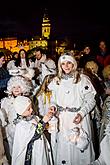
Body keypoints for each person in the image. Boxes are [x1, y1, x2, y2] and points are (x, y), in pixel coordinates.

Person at [47, 53, 96, 165]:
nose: (66, 66)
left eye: (69, 62)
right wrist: (52, 107)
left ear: (74, 63)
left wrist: (81, 113)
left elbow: (91, 101)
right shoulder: (56, 81)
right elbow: (53, 100)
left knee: (79, 147)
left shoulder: (82, 80)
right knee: (64, 146)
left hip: (78, 119)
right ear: (60, 66)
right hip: (62, 120)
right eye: (63, 64)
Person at [12, 95, 54, 165]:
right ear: (21, 111)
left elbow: (43, 127)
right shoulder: (21, 125)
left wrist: (48, 119)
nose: (32, 110)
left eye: (31, 107)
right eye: (28, 109)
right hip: (32, 152)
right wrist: (43, 122)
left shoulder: (33, 117)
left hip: (40, 148)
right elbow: (34, 135)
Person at [0, 75, 33, 156]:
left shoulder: (27, 100)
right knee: (13, 148)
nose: (16, 89)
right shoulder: (6, 101)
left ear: (24, 87)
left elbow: (31, 112)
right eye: (14, 87)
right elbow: (4, 116)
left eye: (19, 87)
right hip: (11, 129)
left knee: (24, 147)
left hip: (24, 127)